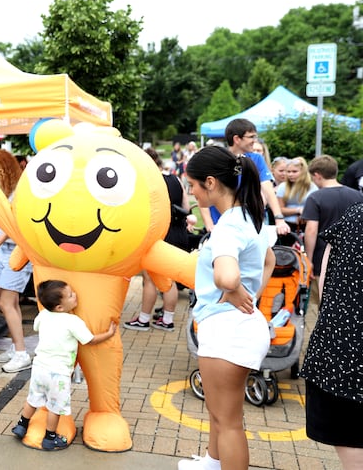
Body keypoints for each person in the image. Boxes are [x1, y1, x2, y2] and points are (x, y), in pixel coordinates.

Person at [179, 145, 275, 470]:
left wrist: (232, 288)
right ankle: (210, 463)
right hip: (237, 327)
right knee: (219, 412)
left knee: (229, 420)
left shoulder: (228, 227)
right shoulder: (249, 215)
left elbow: (225, 274)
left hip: (227, 332)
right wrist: (248, 292)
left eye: (192, 184)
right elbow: (270, 259)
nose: (190, 191)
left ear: (209, 182)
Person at [11, 279, 116, 451]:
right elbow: (90, 340)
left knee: (33, 398)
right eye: (71, 295)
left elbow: (36, 327)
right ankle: (50, 438)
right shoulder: (72, 321)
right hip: (58, 373)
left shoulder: (43, 314)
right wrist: (109, 333)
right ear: (60, 307)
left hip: (39, 368)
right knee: (55, 406)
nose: (75, 295)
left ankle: (22, 425)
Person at [300, 203, 363, 470]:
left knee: (352, 444)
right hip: (345, 354)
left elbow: (325, 287)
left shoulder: (355, 215)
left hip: (343, 353)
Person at [124, 148, 192, 332]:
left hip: (159, 235)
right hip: (179, 232)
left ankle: (144, 319)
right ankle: (167, 319)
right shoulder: (175, 179)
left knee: (151, 280)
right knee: (170, 280)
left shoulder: (148, 182)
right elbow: (186, 207)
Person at [0, 149, 34, 373]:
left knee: (6, 303)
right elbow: (0, 226)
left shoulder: (19, 194)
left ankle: (21, 352)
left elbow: (14, 228)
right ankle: (16, 347)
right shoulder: (2, 192)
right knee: (6, 303)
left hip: (17, 255)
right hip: (5, 254)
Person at [198, 118, 290, 236]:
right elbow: (203, 193)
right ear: (237, 139)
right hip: (221, 226)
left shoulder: (256, 159)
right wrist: (209, 224)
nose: (255, 141)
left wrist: (279, 218)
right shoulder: (217, 160)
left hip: (249, 227)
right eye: (251, 137)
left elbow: (268, 189)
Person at [301, 155, 363, 281]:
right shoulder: (357, 196)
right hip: (353, 258)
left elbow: (311, 231)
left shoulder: (315, 198)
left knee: (317, 299)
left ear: (317, 175)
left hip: (323, 259)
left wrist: (308, 260)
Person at [275, 157, 317, 233]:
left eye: (294, 171)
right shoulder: (283, 187)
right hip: (287, 226)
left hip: (306, 225)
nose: (290, 174)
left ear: (303, 172)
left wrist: (304, 215)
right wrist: (298, 210)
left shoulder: (313, 187)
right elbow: (279, 209)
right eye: (288, 171)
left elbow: (315, 210)